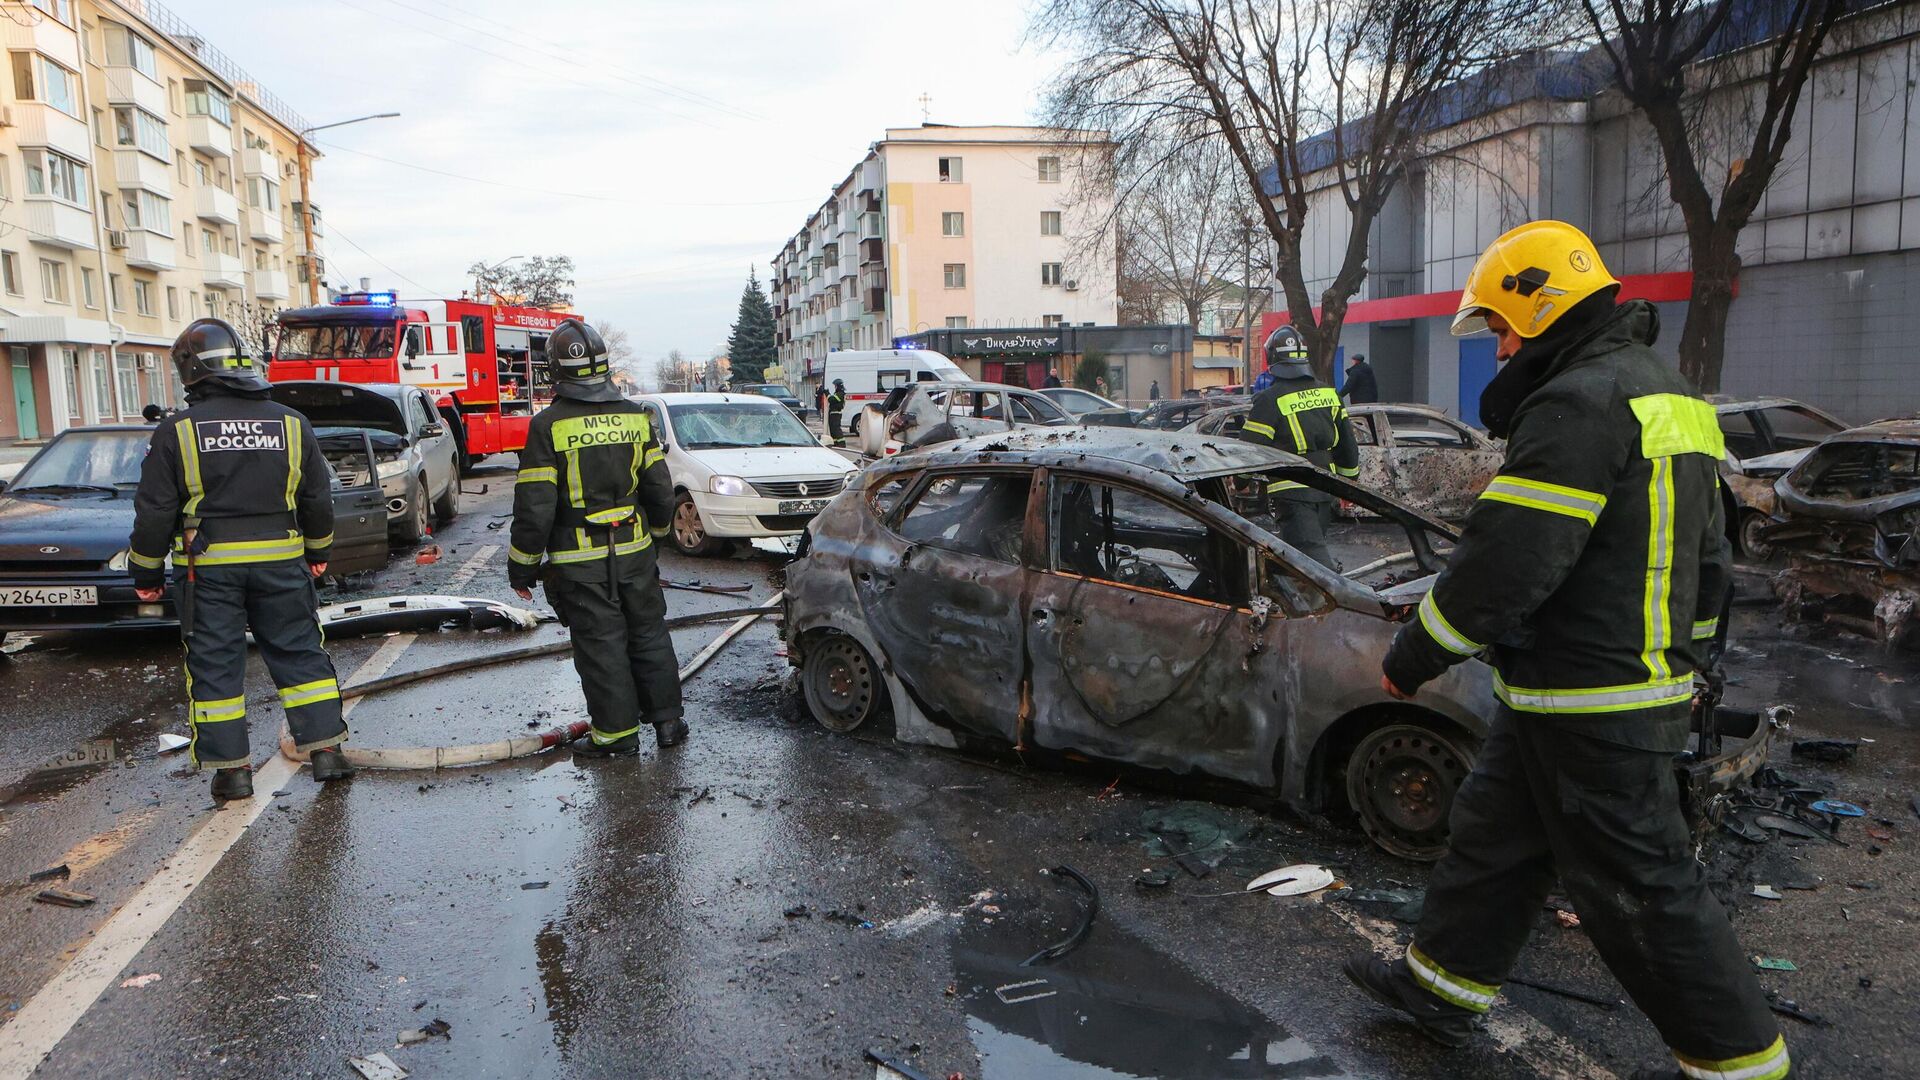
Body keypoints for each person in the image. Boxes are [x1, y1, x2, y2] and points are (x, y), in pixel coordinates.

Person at [1345, 221, 1786, 1080]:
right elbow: (1710, 560)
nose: (1502, 344)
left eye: (1505, 326)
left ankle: (1743, 1063)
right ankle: (1439, 992)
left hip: (1594, 698)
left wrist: (1413, 655)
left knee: (1640, 890)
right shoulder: (1672, 396)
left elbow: (1507, 561)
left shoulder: (1578, 402)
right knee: (1493, 843)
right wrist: (1688, 666)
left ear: (1542, 308)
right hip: (1575, 690)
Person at [127, 318, 352, 800]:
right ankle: (327, 752)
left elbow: (154, 511)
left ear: (190, 371)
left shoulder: (178, 430)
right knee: (299, 654)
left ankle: (233, 772)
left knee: (216, 666)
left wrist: (144, 572)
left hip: (208, 571)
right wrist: (318, 552)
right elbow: (317, 499)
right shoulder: (292, 423)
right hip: (283, 563)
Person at [510, 319, 685, 757]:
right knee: (648, 634)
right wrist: (655, 538)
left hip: (579, 561)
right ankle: (668, 724)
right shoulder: (635, 417)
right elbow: (660, 490)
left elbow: (536, 505)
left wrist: (523, 566)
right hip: (636, 553)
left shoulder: (547, 426)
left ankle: (616, 736)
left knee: (602, 645)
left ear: (556, 371)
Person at [1235, 325, 1359, 568]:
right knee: (1300, 557)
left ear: (1272, 358)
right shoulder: (1329, 393)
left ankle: (1338, 601)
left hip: (1292, 493)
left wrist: (1240, 480)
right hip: (1326, 488)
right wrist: (1349, 488)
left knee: (1311, 563)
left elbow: (1249, 449)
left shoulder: (1269, 400)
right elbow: (1348, 446)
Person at [826, 379, 848, 445]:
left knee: (836, 429)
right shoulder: (838, 393)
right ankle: (835, 443)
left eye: (835, 386)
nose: (835, 387)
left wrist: (827, 393)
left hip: (836, 413)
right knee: (832, 429)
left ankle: (842, 443)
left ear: (838, 386)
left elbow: (831, 399)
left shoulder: (840, 394)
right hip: (833, 413)